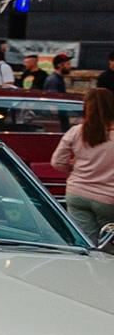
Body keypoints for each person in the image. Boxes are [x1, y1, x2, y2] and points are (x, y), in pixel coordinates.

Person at [52, 88, 114, 237]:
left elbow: (57, 162)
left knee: (86, 239)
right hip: (108, 196)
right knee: (108, 241)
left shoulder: (76, 131)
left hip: (77, 191)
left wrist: (74, 168)